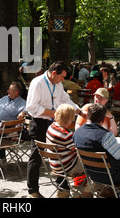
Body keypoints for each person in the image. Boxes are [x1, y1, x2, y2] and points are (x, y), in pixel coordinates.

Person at [25, 61, 81, 198]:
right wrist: (51, 113)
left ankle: (62, 188)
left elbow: (65, 100)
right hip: (39, 123)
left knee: (60, 154)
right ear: (54, 73)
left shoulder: (58, 84)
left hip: (54, 124)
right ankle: (33, 190)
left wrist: (78, 110)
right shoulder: (37, 83)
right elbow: (31, 107)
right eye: (61, 77)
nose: (63, 80)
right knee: (36, 157)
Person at [73, 103, 120, 186]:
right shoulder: (105, 136)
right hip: (112, 176)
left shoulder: (77, 133)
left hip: (92, 175)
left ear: (88, 116)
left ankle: (119, 193)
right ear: (103, 120)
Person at [46, 103, 84, 198]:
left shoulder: (51, 127)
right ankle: (85, 192)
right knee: (92, 163)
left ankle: (64, 191)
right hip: (67, 166)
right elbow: (79, 150)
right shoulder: (66, 135)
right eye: (72, 117)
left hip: (55, 164)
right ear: (68, 118)